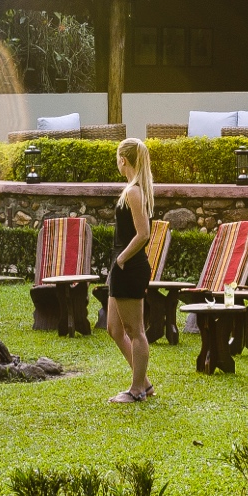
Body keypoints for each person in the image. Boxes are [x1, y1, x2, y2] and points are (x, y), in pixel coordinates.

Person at [105, 137, 156, 404]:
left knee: (136, 331)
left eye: (117, 158)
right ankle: (144, 383)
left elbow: (143, 234)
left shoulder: (134, 191)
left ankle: (137, 390)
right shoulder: (131, 189)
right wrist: (116, 264)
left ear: (123, 160)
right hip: (121, 267)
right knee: (114, 328)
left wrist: (122, 259)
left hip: (130, 266)